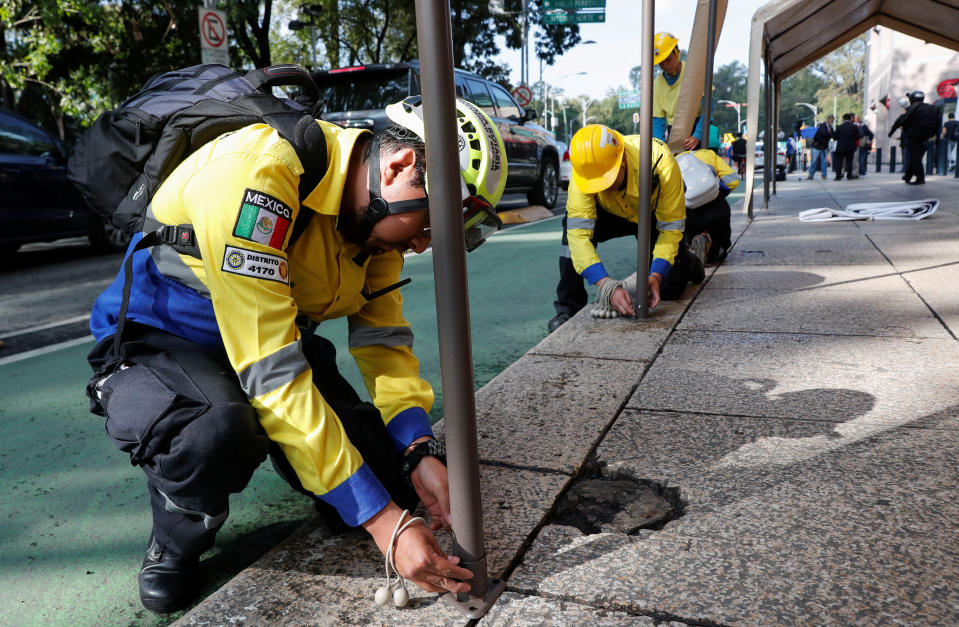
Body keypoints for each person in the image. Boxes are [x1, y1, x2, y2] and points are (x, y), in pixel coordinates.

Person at [85, 96, 507, 613]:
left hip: (268, 337)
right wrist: (382, 523)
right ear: (401, 167)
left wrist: (418, 448)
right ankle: (177, 537)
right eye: (428, 227)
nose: (421, 245)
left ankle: (302, 452)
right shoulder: (257, 177)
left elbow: (384, 342)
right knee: (213, 430)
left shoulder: (372, 222)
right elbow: (273, 376)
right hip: (165, 337)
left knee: (389, 478)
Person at [546, 124, 704, 331]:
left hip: (651, 216)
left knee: (669, 289)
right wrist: (605, 285)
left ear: (623, 160)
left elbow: (670, 228)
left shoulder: (659, 160)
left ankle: (690, 261)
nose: (601, 187)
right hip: (610, 214)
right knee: (570, 231)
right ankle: (568, 307)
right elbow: (579, 236)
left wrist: (655, 275)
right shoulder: (584, 170)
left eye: (606, 180)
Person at [677, 147, 740, 263]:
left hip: (688, 212)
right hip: (717, 207)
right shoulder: (707, 154)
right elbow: (733, 181)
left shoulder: (670, 161)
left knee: (686, 236)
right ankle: (709, 246)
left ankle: (692, 245)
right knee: (722, 247)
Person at [652, 32, 705, 150]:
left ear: (677, 53)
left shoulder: (693, 72)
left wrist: (697, 135)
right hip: (674, 132)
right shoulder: (657, 85)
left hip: (698, 127)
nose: (666, 66)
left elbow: (708, 105)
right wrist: (661, 148)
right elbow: (657, 121)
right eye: (661, 63)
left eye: (668, 60)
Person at [889, 90, 939, 185]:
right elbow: (937, 123)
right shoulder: (931, 108)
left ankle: (920, 178)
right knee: (916, 157)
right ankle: (907, 176)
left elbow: (902, 120)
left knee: (915, 158)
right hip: (926, 136)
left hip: (914, 136)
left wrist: (891, 132)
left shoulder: (914, 107)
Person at [833, 113, 859, 180]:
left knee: (839, 162)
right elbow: (857, 137)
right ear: (850, 119)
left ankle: (838, 176)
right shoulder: (854, 127)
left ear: (843, 119)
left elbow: (835, 137)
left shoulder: (839, 127)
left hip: (840, 147)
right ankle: (849, 175)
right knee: (849, 162)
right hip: (850, 147)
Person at [807, 115, 834, 180]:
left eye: (832, 120)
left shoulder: (831, 128)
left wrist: (830, 134)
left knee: (824, 162)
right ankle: (811, 175)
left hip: (824, 147)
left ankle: (824, 175)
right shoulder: (823, 126)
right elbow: (824, 134)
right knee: (814, 161)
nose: (832, 121)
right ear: (828, 120)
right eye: (831, 119)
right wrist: (830, 134)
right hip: (817, 146)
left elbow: (832, 135)